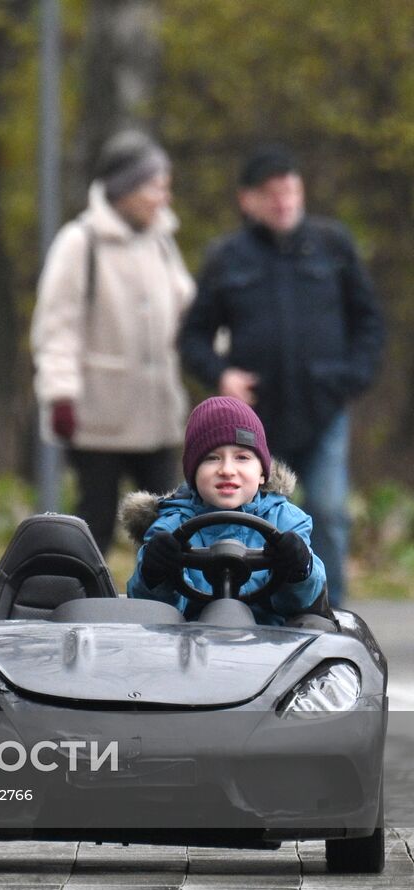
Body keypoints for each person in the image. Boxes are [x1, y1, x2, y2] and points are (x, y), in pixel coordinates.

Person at [179, 144, 384, 606]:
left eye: (290, 189)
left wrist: (351, 378)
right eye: (271, 193)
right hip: (258, 422)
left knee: (329, 512)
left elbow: (369, 322)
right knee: (261, 514)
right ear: (247, 200)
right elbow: (193, 338)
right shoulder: (227, 257)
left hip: (324, 410)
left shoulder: (333, 245)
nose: (283, 200)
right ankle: (258, 606)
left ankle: (331, 611)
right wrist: (222, 375)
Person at [30, 130, 195, 553]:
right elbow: (57, 328)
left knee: (169, 526)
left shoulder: (161, 242)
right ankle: (83, 607)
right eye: (156, 186)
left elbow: (188, 311)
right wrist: (61, 396)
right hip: (97, 422)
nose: (164, 197)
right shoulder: (78, 243)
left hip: (157, 418)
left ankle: (167, 607)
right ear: (126, 188)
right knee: (94, 525)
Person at [122, 396, 326, 625]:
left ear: (262, 474)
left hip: (272, 645)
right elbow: (151, 610)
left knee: (316, 625)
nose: (227, 470)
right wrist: (155, 574)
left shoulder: (287, 521)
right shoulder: (170, 527)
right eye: (212, 458)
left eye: (242, 458)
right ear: (193, 475)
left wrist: (298, 570)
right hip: (193, 644)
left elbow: (303, 601)